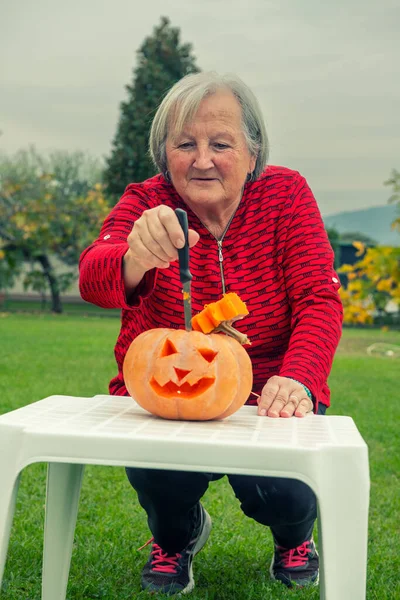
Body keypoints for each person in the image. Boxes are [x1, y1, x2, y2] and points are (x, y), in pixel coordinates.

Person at [79, 71, 343, 596]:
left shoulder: (286, 196)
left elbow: (319, 297)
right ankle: (178, 539)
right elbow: (93, 278)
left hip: (266, 393)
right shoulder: (146, 202)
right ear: (164, 154)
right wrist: (133, 256)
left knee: (285, 495)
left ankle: (294, 537)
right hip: (166, 392)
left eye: (220, 144)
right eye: (185, 144)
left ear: (252, 152)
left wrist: (299, 379)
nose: (202, 160)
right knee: (162, 485)